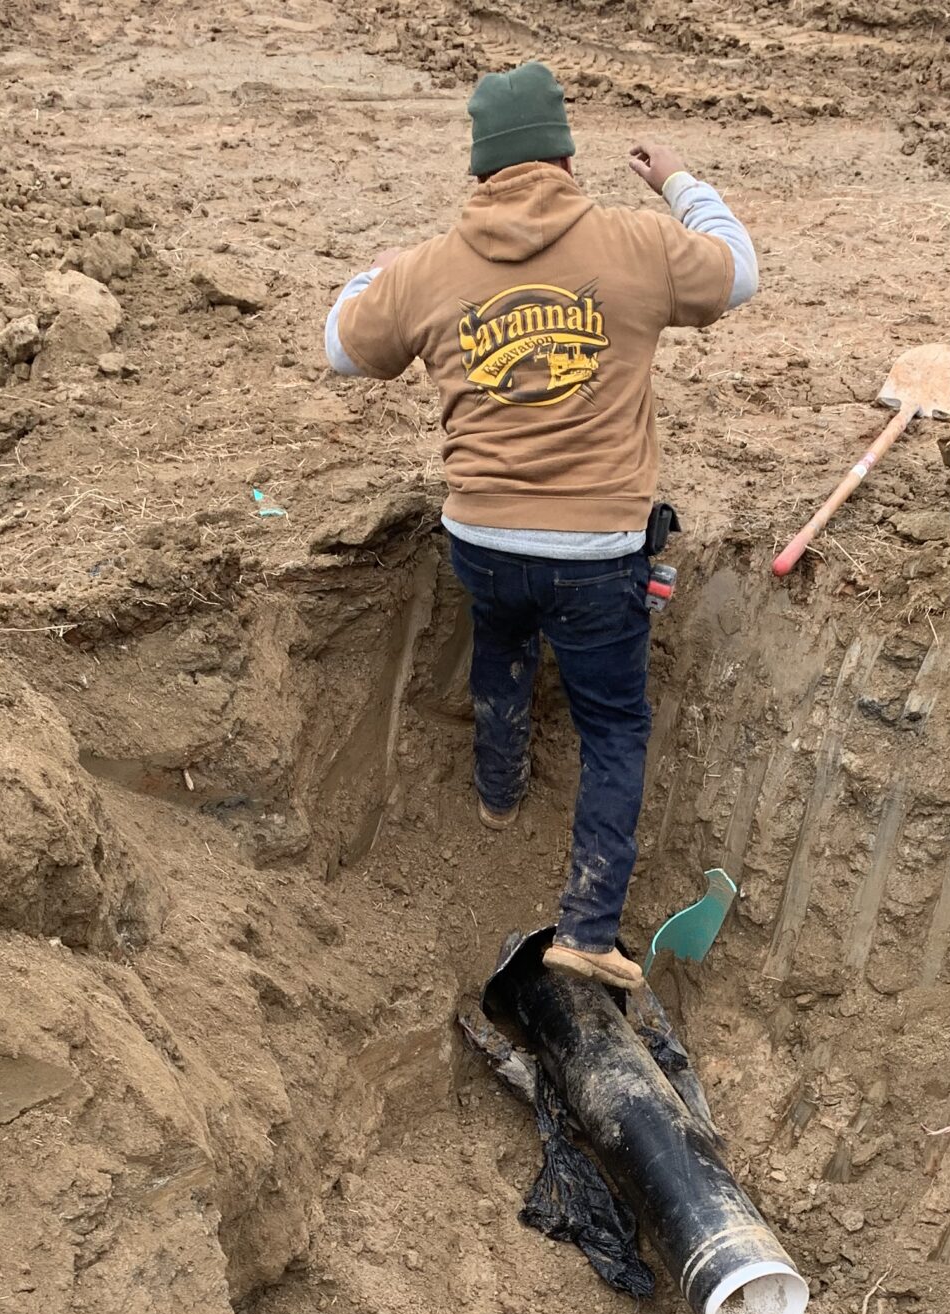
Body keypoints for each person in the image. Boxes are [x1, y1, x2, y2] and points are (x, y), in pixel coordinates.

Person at [323, 59, 758, 989]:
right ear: (564, 157)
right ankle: (588, 931)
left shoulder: (433, 266)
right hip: (599, 553)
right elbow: (740, 272)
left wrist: (377, 274)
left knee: (502, 642)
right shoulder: (636, 244)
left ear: (480, 169)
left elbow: (340, 347)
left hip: (481, 538)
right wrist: (680, 181)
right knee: (615, 725)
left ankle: (497, 792)